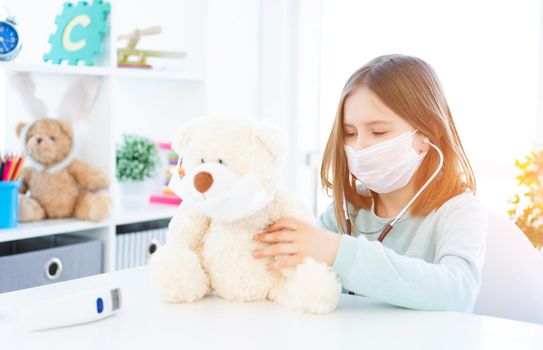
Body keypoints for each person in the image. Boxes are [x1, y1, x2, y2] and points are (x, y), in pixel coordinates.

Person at [252, 54, 487, 312]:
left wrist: (340, 252)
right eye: (350, 133)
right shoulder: (345, 211)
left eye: (378, 131)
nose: (360, 146)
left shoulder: (459, 211)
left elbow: (459, 292)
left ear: (428, 134)